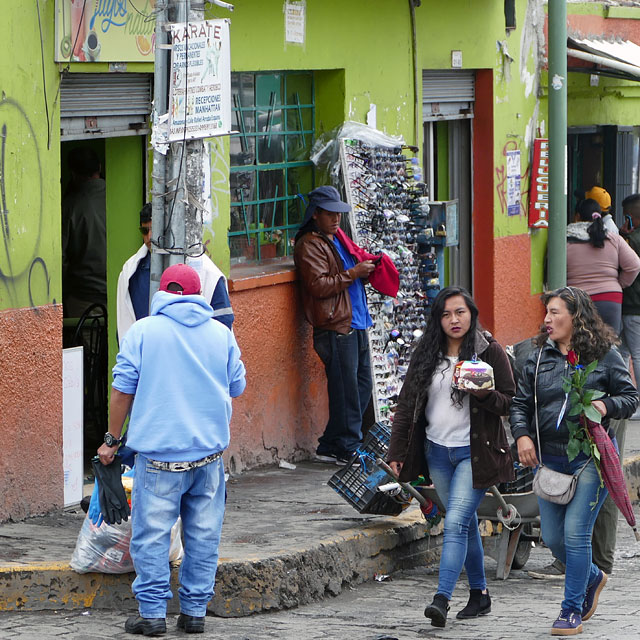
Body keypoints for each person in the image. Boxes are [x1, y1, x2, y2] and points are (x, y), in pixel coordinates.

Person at [97, 263, 246, 636]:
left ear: (161, 294)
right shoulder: (220, 333)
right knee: (204, 535)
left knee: (152, 536)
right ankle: (194, 612)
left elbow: (122, 390)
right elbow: (238, 385)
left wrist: (112, 440)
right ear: (198, 295)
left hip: (160, 460)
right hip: (208, 460)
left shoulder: (144, 331)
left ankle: (152, 615)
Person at [510, 286, 637, 636]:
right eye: (546, 313)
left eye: (555, 313)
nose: (547, 320)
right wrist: (522, 435)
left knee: (576, 533)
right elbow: (520, 403)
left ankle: (570, 611)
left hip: (589, 459)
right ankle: (594, 576)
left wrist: (606, 406)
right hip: (549, 461)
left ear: (576, 317)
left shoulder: (604, 354)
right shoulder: (535, 358)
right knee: (552, 537)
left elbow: (630, 397)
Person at [387, 287, 515, 629]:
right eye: (445, 314)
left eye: (460, 312)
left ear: (471, 314)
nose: (453, 320)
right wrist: (397, 453)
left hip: (475, 454)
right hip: (436, 452)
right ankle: (480, 594)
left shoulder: (489, 351)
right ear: (437, 320)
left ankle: (441, 598)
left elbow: (507, 401)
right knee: (465, 522)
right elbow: (406, 406)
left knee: (456, 521)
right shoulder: (427, 354)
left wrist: (483, 393)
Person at [293, 186, 378, 465]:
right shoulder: (309, 244)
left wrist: (364, 271)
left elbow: (344, 276)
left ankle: (332, 443)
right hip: (335, 324)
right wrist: (354, 273)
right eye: (330, 213)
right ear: (315, 214)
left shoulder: (337, 238)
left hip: (356, 319)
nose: (336, 219)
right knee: (346, 390)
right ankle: (346, 447)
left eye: (339, 213)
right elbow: (318, 286)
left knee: (361, 384)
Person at [116, 203, 234, 340]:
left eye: (154, 229)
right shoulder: (131, 272)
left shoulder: (205, 271)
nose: (149, 237)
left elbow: (223, 323)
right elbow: (124, 328)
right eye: (144, 231)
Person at [566, 198, 640, 334]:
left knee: (581, 346)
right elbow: (634, 265)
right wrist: (619, 283)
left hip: (578, 300)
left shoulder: (566, 240)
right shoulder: (613, 238)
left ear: (577, 216)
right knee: (609, 348)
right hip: (611, 299)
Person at [61, 146, 107, 318]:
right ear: (99, 167)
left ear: (73, 174)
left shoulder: (70, 207)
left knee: (88, 344)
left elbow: (61, 258)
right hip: (120, 294)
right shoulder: (117, 196)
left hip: (84, 298)